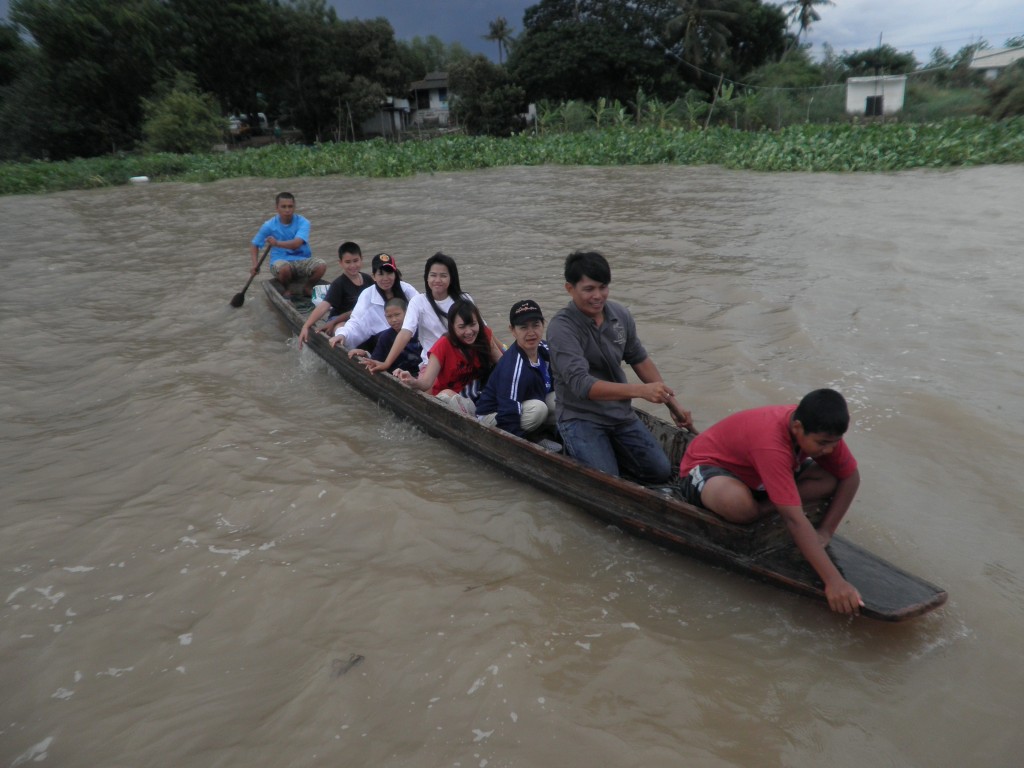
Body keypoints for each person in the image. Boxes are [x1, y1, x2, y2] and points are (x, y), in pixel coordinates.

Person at [676, 388, 864, 615]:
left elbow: (850, 477)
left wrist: (825, 531)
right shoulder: (772, 443)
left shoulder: (822, 430)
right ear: (797, 428)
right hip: (709, 468)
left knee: (830, 479)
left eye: (834, 443)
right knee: (740, 508)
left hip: (759, 476)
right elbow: (794, 521)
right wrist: (833, 581)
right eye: (823, 443)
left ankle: (774, 502)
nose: (830, 449)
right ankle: (771, 505)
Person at [546, 251, 694, 483]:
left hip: (619, 414)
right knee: (608, 482)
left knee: (660, 471)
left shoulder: (620, 316)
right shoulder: (561, 328)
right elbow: (582, 385)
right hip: (581, 417)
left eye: (603, 287)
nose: (598, 296)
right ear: (569, 288)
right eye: (589, 289)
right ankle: (571, 445)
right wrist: (640, 392)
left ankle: (609, 452)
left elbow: (639, 359)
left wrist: (673, 405)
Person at [364, 252, 501, 374]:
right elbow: (405, 333)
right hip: (434, 365)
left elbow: (484, 331)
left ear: (451, 278)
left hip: (467, 361)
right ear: (427, 278)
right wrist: (387, 363)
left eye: (443, 276)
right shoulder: (418, 302)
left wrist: (504, 353)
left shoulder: (464, 299)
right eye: (433, 275)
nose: (437, 280)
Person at [394, 299, 502, 414]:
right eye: (462, 327)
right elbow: (426, 383)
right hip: (453, 401)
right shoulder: (443, 345)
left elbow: (503, 364)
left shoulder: (484, 335)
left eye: (473, 325)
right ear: (452, 327)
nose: (469, 332)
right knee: (446, 395)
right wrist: (411, 381)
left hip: (481, 397)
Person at [475, 300, 557, 438]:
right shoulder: (513, 365)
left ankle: (553, 433)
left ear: (543, 325)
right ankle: (533, 437)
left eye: (536, 325)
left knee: (562, 399)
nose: (531, 333)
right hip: (494, 416)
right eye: (523, 327)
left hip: (524, 404)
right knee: (538, 409)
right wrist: (526, 446)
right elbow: (508, 412)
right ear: (513, 331)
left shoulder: (546, 350)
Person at [328, 253, 418, 351]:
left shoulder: (407, 290)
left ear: (395, 274)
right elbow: (356, 321)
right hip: (380, 343)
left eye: (389, 273)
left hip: (408, 338)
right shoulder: (367, 295)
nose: (386, 278)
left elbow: (423, 311)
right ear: (374, 276)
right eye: (381, 274)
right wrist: (342, 335)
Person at [250, 192, 325, 297]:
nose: (287, 210)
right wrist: (255, 265)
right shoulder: (269, 225)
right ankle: (287, 289)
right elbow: (255, 244)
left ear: (294, 207)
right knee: (284, 269)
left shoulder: (303, 222)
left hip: (301, 260)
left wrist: (276, 243)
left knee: (321, 265)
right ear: (277, 208)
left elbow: (296, 244)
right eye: (283, 207)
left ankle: (307, 287)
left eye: (290, 206)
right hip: (281, 262)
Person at [297, 242, 371, 348]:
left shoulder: (368, 279)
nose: (353, 266)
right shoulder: (339, 284)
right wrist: (306, 326)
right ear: (340, 263)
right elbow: (324, 306)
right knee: (342, 329)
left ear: (361, 259)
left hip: (359, 318)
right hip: (339, 320)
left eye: (356, 261)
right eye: (348, 262)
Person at [348, 297, 423, 376]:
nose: (394, 319)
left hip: (423, 372)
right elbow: (376, 361)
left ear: (406, 313)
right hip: (399, 375)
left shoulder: (421, 331)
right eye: (389, 316)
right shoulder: (385, 337)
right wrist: (365, 354)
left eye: (397, 315)